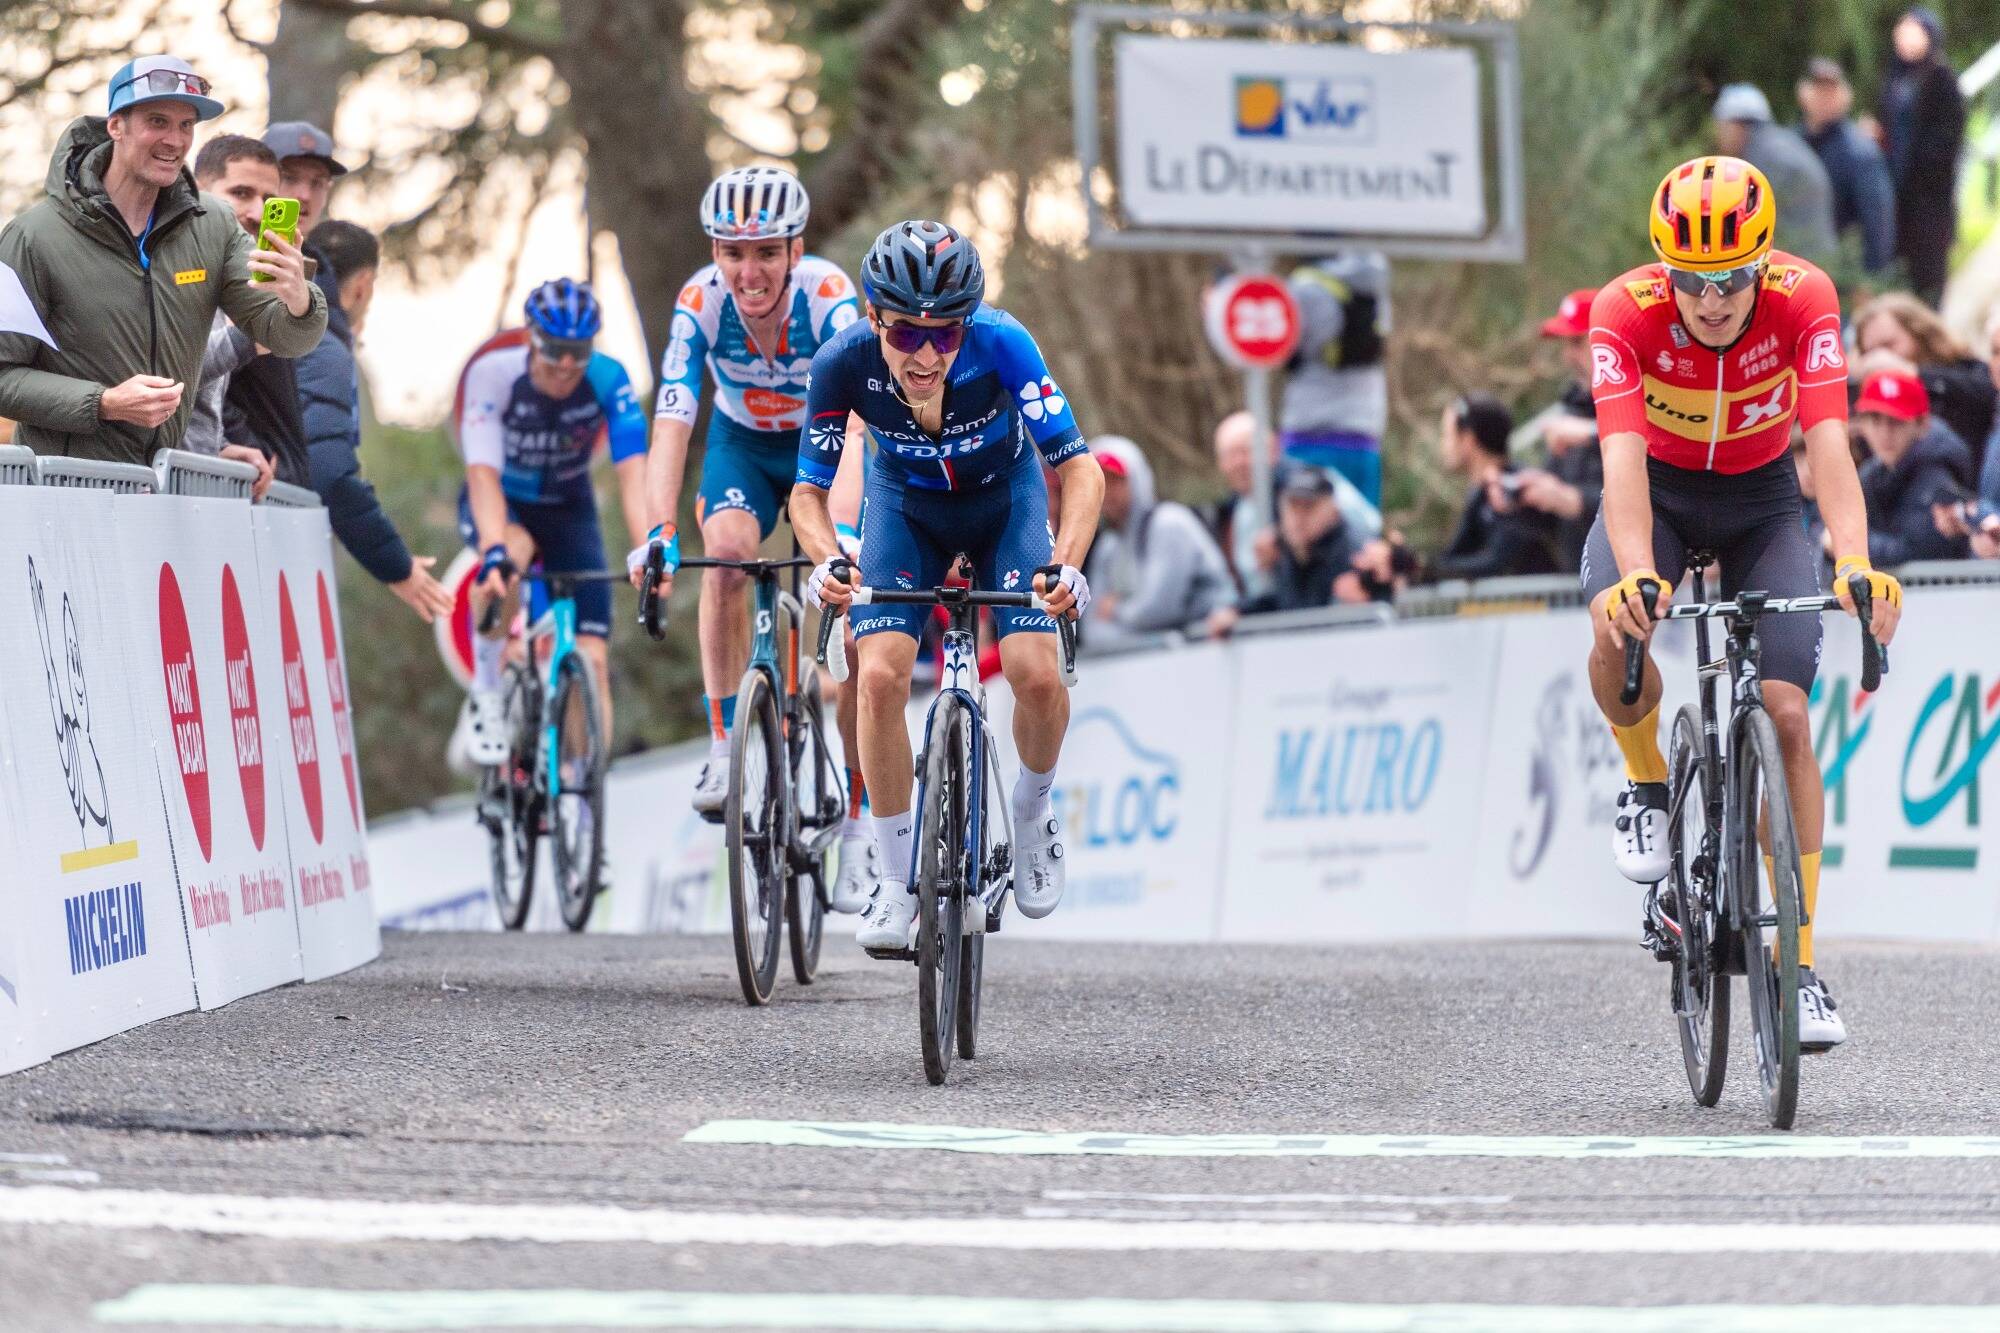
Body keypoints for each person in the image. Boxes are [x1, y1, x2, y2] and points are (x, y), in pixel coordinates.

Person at [1586, 155, 1902, 1050]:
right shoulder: (1623, 313)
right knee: (1615, 624)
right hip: (1660, 493)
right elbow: (1618, 461)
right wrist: (1640, 573)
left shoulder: (1806, 298)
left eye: (1731, 279)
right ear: (1666, 270)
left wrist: (1856, 561)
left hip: (1764, 498)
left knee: (1789, 715)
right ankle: (1648, 783)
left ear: (1762, 267)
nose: (1712, 299)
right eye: (1693, 280)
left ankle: (1797, 969)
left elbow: (1830, 441)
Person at [792, 220, 1104, 953]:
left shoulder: (1002, 342)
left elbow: (1080, 467)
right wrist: (824, 560)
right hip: (904, 506)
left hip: (1007, 501)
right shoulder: (842, 361)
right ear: (875, 319)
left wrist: (1065, 562)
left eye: (945, 335)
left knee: (1033, 673)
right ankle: (897, 884)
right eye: (905, 335)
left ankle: (1031, 810)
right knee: (877, 679)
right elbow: (807, 492)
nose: (927, 354)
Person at [628, 167, 878, 914]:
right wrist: (658, 530)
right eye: (734, 253)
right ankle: (722, 737)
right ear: (714, 250)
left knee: (853, 654)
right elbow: (673, 417)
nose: (749, 271)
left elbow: (859, 424)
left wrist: (842, 539)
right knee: (729, 555)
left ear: (796, 248)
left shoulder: (831, 299)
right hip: (741, 443)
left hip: (825, 445)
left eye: (767, 252)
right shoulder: (700, 301)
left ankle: (865, 828)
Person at [0, 56, 325, 464]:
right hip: (66, 493)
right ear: (115, 126)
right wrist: (104, 402)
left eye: (186, 125)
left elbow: (284, 337)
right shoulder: (31, 236)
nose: (175, 140)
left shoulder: (214, 225)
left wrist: (299, 301)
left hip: (163, 496)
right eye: (158, 121)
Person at [457, 279, 648, 763]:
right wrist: (494, 548)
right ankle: (487, 690)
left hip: (568, 508)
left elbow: (633, 476)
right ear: (530, 338)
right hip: (506, 502)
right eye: (556, 350)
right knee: (506, 563)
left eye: (578, 352)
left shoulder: (608, 377)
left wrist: (650, 544)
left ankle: (585, 802)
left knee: (595, 660)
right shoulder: (493, 375)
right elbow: (481, 473)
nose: (567, 364)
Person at [297, 220, 452, 623]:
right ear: (363, 284)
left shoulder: (296, 332)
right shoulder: (325, 349)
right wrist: (396, 565)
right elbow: (330, 472)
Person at [184, 132, 282, 495]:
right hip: (145, 504)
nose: (258, 213)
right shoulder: (169, 262)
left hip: (189, 496)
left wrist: (219, 450)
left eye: (270, 201)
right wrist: (257, 335)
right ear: (197, 190)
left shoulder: (224, 278)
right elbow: (158, 370)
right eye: (241, 193)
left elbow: (188, 412)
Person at [1203, 410, 1378, 603]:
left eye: (1245, 451)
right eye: (1230, 455)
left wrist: (1285, 539)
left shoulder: (1309, 481)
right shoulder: (1231, 512)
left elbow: (1366, 527)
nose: (1239, 463)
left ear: (1272, 450)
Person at [1082, 435, 1238, 650]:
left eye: (1117, 481)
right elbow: (1092, 630)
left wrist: (1115, 609)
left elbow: (1157, 611)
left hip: (1212, 649)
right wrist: (1146, 639)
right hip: (1153, 659)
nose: (1108, 492)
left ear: (1137, 479)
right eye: (1101, 482)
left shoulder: (1168, 524)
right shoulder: (1109, 546)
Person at [1280, 248, 1390, 507]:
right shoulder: (1376, 282)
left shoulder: (1304, 288)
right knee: (1362, 537)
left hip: (1308, 436)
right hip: (1364, 436)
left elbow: (1279, 348)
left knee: (1303, 540)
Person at [1508, 289, 1604, 570]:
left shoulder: (1648, 398)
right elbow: (1551, 510)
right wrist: (1520, 494)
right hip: (1578, 582)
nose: (1568, 356)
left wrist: (1591, 433)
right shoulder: (1571, 409)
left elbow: (1653, 489)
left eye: (1576, 342)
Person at [1852, 293, 1995, 477]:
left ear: (1919, 334)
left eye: (1889, 345)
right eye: (1870, 352)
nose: (1880, 359)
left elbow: (1987, 393)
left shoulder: (1964, 369)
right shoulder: (1870, 403)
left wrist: (1912, 371)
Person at [1878, 7, 1965, 308]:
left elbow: (1947, 140)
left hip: (1929, 202)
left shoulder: (1941, 79)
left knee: (1928, 282)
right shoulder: (1894, 77)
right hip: (1897, 198)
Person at [1434, 393, 1562, 580]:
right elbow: (1457, 553)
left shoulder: (1518, 487)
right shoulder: (1481, 493)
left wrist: (1432, 569)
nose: (1443, 445)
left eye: (1447, 435)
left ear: (1468, 440)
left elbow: (1498, 560)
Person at [1850, 368, 1972, 564]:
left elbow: (1919, 552)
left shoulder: (1937, 478)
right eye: (1874, 419)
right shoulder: (1870, 475)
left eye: (1895, 421)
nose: (1884, 432)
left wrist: (1850, 546)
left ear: (1921, 424)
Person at [1712, 84, 1838, 266]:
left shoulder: (1764, 159)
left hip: (1802, 262)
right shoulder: (1779, 143)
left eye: (1722, 126)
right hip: (1818, 256)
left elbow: (1748, 224)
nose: (1719, 135)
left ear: (1738, 125)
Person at [1796, 58, 1896, 276]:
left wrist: (1870, 278)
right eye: (1819, 90)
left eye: (1831, 91)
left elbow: (1878, 220)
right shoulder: (1793, 144)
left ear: (1844, 96)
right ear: (1804, 93)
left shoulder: (1859, 151)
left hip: (1843, 271)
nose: (1825, 99)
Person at [1243, 468, 1360, 613]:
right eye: (1293, 506)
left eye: (1308, 507)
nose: (1298, 518)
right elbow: (1281, 602)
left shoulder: (1353, 557)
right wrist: (1236, 610)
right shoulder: (1285, 551)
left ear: (1333, 512)